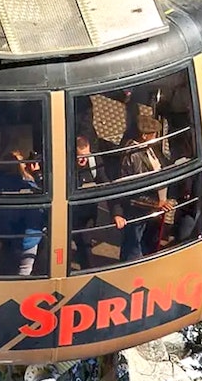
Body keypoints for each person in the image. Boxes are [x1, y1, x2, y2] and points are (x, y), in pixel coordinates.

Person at [112, 115, 174, 260]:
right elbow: (134, 189)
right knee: (133, 246)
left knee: (145, 241)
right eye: (153, 133)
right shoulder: (133, 155)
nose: (156, 136)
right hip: (138, 210)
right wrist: (157, 203)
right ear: (145, 136)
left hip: (150, 208)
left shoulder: (148, 148)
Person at [0, 151, 46, 276]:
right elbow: (40, 205)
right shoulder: (25, 184)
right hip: (27, 237)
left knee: (8, 263)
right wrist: (35, 174)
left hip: (4, 233)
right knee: (25, 269)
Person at [71, 136, 109, 270]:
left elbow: (103, 180)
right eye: (80, 156)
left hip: (88, 212)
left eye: (87, 155)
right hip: (70, 212)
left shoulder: (94, 161)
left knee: (85, 243)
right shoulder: (65, 165)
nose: (84, 160)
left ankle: (87, 271)